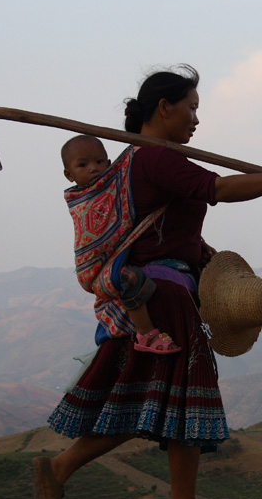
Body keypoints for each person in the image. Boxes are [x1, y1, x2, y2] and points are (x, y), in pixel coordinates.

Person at [34, 64, 262, 499]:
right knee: (184, 399)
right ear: (163, 108)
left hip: (163, 291)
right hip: (163, 297)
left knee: (153, 400)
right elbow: (218, 189)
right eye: (190, 108)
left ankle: (65, 470)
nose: (195, 119)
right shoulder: (154, 158)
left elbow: (171, 231)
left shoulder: (141, 158)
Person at [61, 134, 180, 354]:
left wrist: (138, 149)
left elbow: (128, 162)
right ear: (69, 175)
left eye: (100, 161)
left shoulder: (116, 184)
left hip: (113, 262)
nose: (94, 169)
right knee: (130, 278)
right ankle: (146, 334)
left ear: (109, 163)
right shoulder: (81, 202)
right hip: (94, 271)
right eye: (83, 164)